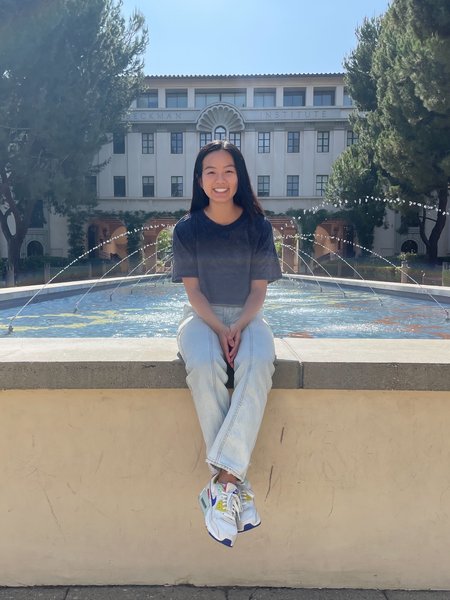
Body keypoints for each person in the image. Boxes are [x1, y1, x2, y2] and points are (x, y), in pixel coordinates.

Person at [172, 140, 282, 547]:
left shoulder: (258, 226)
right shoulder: (187, 229)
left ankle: (223, 484)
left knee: (257, 362)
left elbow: (258, 291)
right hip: (203, 317)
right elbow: (193, 293)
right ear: (200, 180)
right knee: (203, 363)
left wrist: (239, 325)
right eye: (211, 172)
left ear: (240, 176)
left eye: (228, 170)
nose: (220, 179)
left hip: (249, 315)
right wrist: (220, 327)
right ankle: (234, 485)